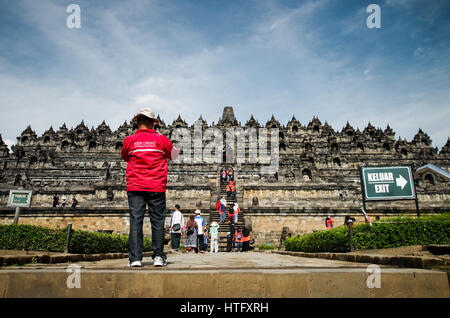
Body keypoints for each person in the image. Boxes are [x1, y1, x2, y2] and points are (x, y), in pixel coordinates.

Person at [121, 107, 179, 268]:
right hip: (156, 186)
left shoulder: (129, 140)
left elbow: (125, 156)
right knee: (158, 221)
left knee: (135, 221)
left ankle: (135, 259)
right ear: (153, 123)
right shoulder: (161, 139)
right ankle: (158, 257)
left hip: (135, 186)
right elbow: (174, 156)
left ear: (138, 122)